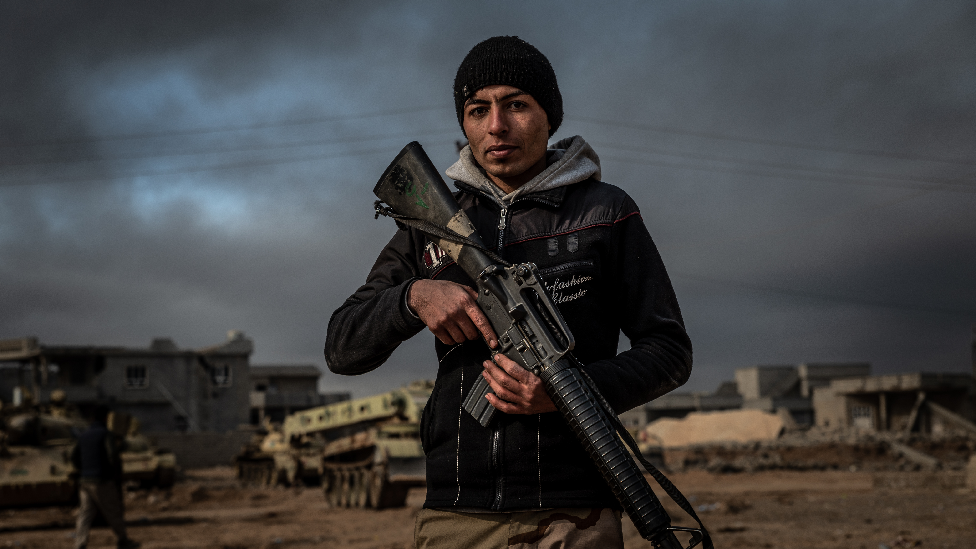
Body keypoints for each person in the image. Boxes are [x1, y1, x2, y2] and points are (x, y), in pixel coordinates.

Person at [325, 35, 692, 548]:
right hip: (458, 515)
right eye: (478, 110)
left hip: (574, 513)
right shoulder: (430, 226)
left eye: (516, 104)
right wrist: (413, 299)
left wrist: (566, 393)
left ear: (549, 117)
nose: (496, 125)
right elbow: (342, 347)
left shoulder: (607, 213)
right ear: (465, 124)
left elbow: (669, 353)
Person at [71, 405, 140, 549]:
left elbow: (74, 457)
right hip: (101, 480)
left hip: (85, 481)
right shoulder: (105, 434)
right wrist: (113, 473)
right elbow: (112, 456)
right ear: (105, 418)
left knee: (85, 514)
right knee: (113, 511)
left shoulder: (83, 435)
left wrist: (83, 470)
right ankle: (123, 541)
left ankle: (80, 543)